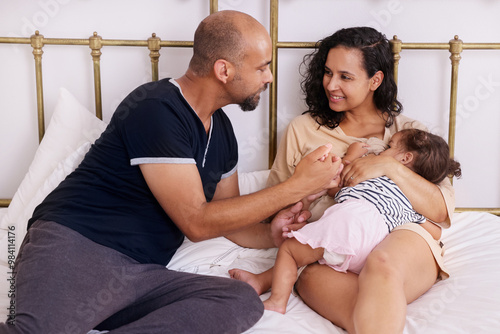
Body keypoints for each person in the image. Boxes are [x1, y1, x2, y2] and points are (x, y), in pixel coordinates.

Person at [0, 11, 342, 334]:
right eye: (262, 68)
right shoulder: (156, 108)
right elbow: (197, 222)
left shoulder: (222, 132)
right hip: (78, 246)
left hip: (140, 276)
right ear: (224, 70)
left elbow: (229, 221)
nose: (268, 78)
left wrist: (272, 233)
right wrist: (296, 185)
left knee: (238, 300)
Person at [238, 26, 456, 334]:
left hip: (401, 238)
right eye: (328, 73)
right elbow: (275, 203)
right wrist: (302, 198)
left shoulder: (409, 136)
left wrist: (386, 166)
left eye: (345, 76)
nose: (331, 84)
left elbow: (441, 212)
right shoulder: (303, 130)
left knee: (382, 265)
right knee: (312, 280)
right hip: (334, 245)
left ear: (375, 81)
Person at [232, 129, 461, 315]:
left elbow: (340, 182)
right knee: (310, 255)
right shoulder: (408, 200)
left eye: (390, 146)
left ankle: (277, 301)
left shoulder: (374, 172)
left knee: (291, 251)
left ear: (405, 158)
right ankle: (260, 281)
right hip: (371, 246)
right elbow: (435, 230)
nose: (384, 149)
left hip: (349, 222)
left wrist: (351, 155)